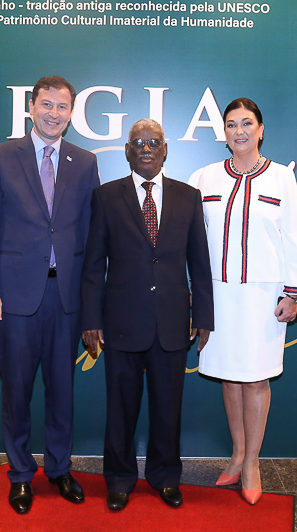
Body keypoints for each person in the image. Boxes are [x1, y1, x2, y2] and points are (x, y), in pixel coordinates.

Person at [0, 75, 101, 515]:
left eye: (62, 107)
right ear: (31, 107)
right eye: (47, 104)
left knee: (62, 390)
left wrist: (92, 302)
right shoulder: (0, 156)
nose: (54, 113)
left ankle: (60, 468)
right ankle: (21, 474)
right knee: (17, 391)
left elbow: (91, 235)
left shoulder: (85, 162)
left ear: (71, 113)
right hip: (14, 298)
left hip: (65, 297)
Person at [80, 119, 213, 512]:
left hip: (172, 322)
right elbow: (93, 265)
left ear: (165, 149)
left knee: (168, 409)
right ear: (127, 150)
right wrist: (90, 319)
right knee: (120, 409)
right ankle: (119, 479)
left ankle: (165, 476)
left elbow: (199, 262)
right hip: (120, 323)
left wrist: (203, 315)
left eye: (154, 142)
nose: (146, 149)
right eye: (138, 142)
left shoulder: (189, 197)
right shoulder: (106, 197)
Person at [193, 98, 297, 505]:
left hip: (263, 295)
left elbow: (292, 236)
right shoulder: (204, 177)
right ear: (223, 132)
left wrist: (293, 292)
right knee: (228, 375)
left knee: (256, 378)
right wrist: (192, 291)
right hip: (217, 293)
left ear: (261, 129)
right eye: (231, 124)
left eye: (246, 123)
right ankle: (237, 455)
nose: (239, 131)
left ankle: (253, 462)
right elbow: (191, 241)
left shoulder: (281, 177)